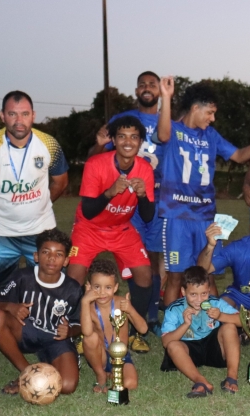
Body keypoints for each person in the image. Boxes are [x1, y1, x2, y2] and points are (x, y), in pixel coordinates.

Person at [157, 82, 250, 307]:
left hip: (206, 217)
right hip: (176, 216)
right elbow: (162, 134)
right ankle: (171, 327)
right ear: (195, 108)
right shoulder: (174, 130)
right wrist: (166, 97)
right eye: (209, 112)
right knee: (175, 276)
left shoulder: (211, 135)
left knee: (208, 273)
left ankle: (214, 324)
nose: (212, 118)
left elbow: (238, 155)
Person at [89, 72, 173, 343]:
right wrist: (98, 146)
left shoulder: (169, 120)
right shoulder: (120, 120)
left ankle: (149, 316)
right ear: (136, 89)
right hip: (123, 200)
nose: (147, 88)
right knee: (132, 259)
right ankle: (120, 312)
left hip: (154, 197)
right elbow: (98, 156)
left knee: (153, 258)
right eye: (143, 85)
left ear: (160, 91)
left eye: (153, 85)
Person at [0, 91, 69, 290]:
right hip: (0, 233)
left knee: (51, 290)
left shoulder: (49, 144)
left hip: (41, 231)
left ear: (33, 115)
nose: (19, 121)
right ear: (2, 116)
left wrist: (42, 205)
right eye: (12, 114)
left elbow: (60, 182)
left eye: (25, 114)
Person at [66, 115, 158, 352]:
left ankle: (134, 332)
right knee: (74, 277)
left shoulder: (145, 168)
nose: (128, 142)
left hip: (121, 228)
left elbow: (148, 215)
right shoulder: (96, 164)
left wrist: (140, 195)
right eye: (122, 136)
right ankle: (77, 330)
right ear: (114, 141)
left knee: (145, 275)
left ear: (140, 143)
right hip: (90, 227)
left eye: (134, 137)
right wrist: (109, 193)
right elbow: (88, 210)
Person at [0, 228, 82, 395]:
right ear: (36, 256)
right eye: (46, 252)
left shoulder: (72, 288)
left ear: (66, 260)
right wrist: (10, 307)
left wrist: (70, 331)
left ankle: (49, 363)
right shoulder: (23, 277)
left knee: (66, 386)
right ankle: (27, 374)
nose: (52, 258)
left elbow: (80, 323)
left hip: (55, 338)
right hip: (26, 330)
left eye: (59, 254)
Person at [160, 266, 242, 397]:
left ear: (209, 290)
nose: (199, 300)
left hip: (213, 347)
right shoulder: (174, 309)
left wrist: (221, 316)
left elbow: (242, 320)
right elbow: (165, 342)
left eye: (204, 294)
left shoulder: (215, 303)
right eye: (193, 294)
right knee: (173, 345)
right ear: (183, 291)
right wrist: (185, 324)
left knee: (229, 327)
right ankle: (201, 381)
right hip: (188, 349)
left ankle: (231, 378)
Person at [80, 259, 149, 393]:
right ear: (88, 286)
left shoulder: (121, 303)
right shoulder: (89, 306)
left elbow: (143, 329)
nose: (102, 292)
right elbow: (86, 332)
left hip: (120, 355)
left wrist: (130, 310)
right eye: (97, 287)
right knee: (90, 338)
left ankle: (112, 376)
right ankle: (101, 375)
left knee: (131, 383)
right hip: (99, 355)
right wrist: (84, 302)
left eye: (108, 287)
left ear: (116, 287)